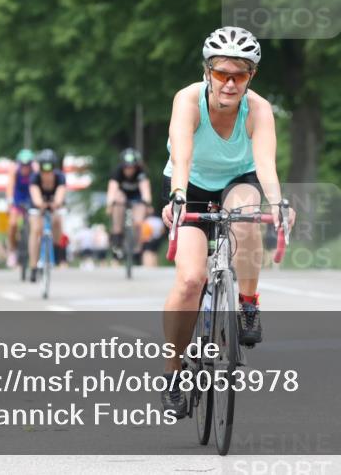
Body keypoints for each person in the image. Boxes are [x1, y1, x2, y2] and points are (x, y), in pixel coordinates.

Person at [159, 26, 295, 416]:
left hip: (239, 180)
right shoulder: (187, 100)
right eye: (222, 74)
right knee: (189, 280)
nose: (230, 84)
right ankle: (172, 374)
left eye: (240, 75)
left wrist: (279, 203)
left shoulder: (259, 109)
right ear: (208, 72)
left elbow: (266, 163)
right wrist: (178, 197)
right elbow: (181, 155)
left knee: (246, 217)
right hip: (191, 184)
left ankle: (248, 303)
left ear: (251, 76)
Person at [106, 148, 153, 266]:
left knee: (138, 222)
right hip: (121, 198)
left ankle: (136, 247)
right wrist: (110, 205)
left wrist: (147, 204)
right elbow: (112, 190)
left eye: (132, 167)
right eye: (126, 167)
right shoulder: (117, 172)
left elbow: (145, 191)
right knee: (118, 204)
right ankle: (117, 242)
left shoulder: (141, 172)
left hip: (137, 198)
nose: (129, 170)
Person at [28, 148, 67, 282]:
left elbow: (61, 194)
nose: (47, 174)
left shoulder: (60, 177)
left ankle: (55, 247)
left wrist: (56, 203)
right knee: (36, 230)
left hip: (54, 204)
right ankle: (33, 266)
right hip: (39, 205)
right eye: (44, 171)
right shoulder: (35, 177)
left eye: (49, 170)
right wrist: (41, 204)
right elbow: (35, 195)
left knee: (57, 221)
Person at [7, 149, 35, 255]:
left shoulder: (34, 171)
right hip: (17, 199)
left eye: (27, 165)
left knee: (35, 224)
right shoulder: (14, 171)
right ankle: (12, 249)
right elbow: (10, 186)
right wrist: (10, 200)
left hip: (31, 197)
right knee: (12, 224)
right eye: (22, 165)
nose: (25, 167)